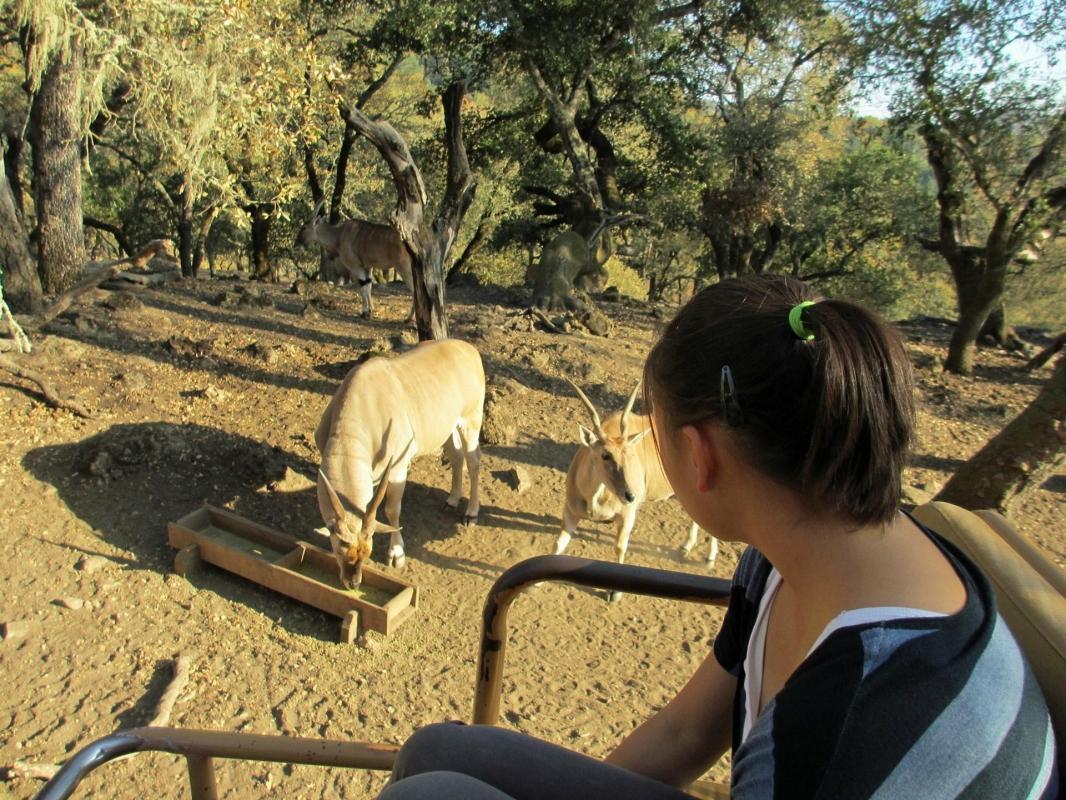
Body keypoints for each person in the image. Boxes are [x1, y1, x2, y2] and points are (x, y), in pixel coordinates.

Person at [377, 276, 1058, 799]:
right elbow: (687, 731)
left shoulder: (842, 725)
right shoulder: (786, 554)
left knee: (433, 794)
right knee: (436, 755)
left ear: (698, 458)